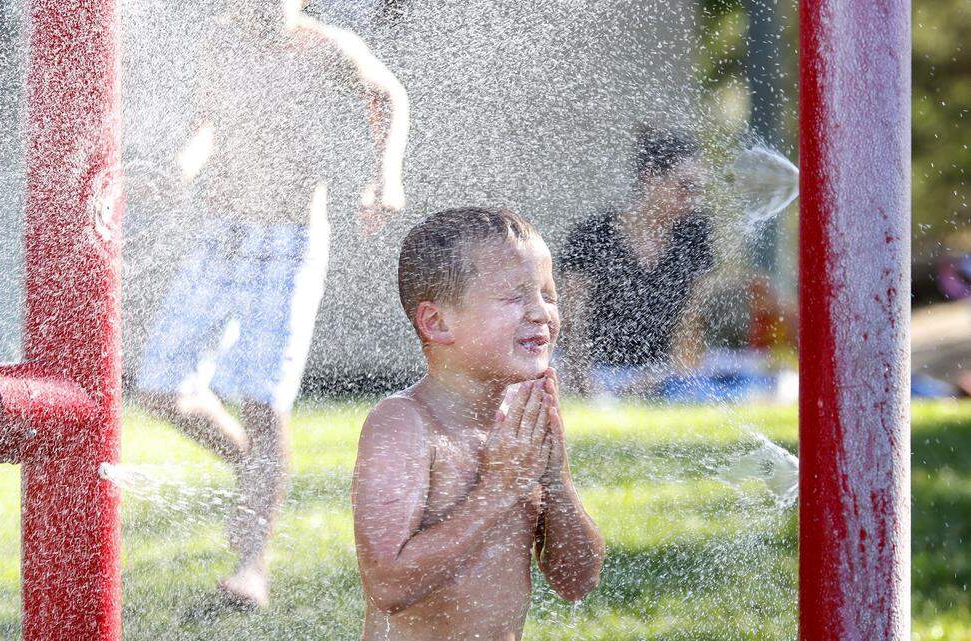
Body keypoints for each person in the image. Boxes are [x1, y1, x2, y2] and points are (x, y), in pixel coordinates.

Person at [135, 0, 409, 609]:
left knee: (263, 402)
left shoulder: (326, 46)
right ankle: (251, 468)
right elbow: (208, 123)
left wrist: (385, 175)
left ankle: (250, 566)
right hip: (219, 234)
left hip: (288, 244)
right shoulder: (221, 39)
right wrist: (178, 170)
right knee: (160, 387)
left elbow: (387, 94)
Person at [352, 208, 604, 641]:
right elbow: (388, 586)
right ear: (437, 322)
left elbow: (576, 582)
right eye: (515, 297)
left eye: (548, 294)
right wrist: (499, 490)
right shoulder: (405, 424)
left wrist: (556, 480)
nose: (541, 312)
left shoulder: (519, 426)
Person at [559, 126, 716, 399]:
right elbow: (572, 324)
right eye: (685, 188)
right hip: (596, 371)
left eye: (698, 191)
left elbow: (691, 325)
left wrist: (660, 377)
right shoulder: (593, 235)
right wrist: (588, 385)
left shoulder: (695, 236)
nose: (693, 201)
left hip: (663, 374)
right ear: (650, 178)